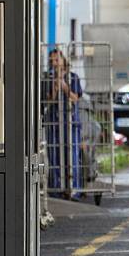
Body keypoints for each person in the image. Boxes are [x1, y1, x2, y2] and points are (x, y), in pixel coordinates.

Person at [43, 49, 83, 197]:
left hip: (70, 121)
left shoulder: (73, 77)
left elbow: (75, 98)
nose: (54, 63)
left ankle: (74, 190)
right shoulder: (47, 78)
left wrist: (65, 87)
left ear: (63, 60)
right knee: (54, 156)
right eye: (51, 61)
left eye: (56, 60)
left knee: (72, 155)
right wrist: (55, 86)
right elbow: (48, 100)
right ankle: (56, 190)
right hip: (54, 122)